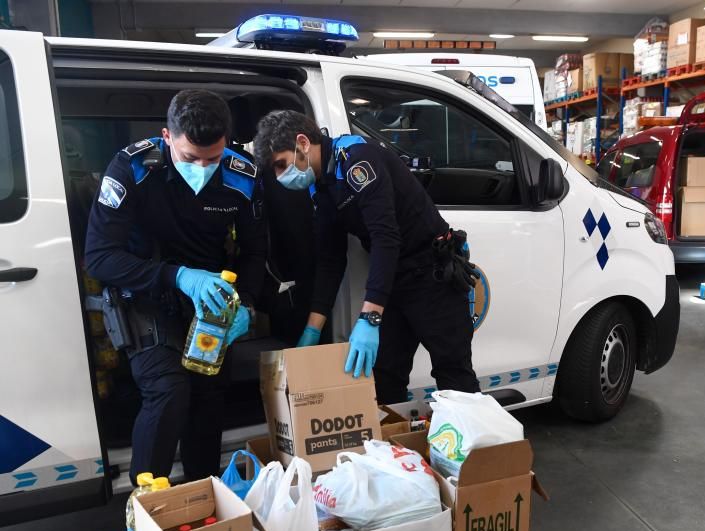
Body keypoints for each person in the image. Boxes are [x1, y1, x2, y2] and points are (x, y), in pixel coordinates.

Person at [85, 89, 267, 485]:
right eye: (190, 157)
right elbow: (99, 256)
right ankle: (148, 505)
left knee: (208, 399)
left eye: (212, 158)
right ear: (167, 136)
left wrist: (244, 304)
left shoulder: (242, 174)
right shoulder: (132, 168)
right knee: (168, 392)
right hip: (147, 295)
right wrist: (179, 275)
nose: (202, 167)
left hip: (211, 303)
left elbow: (255, 252)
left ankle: (205, 496)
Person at [253, 110, 480, 404]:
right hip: (394, 282)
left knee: (454, 378)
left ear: (303, 143)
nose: (281, 176)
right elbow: (331, 259)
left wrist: (370, 318)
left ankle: (477, 448)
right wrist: (312, 329)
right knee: (384, 378)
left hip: (433, 274)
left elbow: (386, 237)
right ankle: (393, 449)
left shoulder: (358, 160)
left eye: (282, 164)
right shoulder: (321, 187)